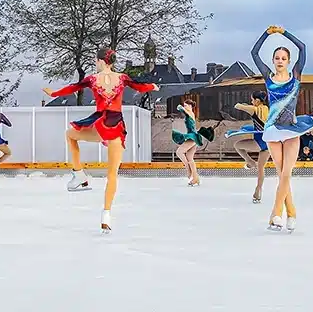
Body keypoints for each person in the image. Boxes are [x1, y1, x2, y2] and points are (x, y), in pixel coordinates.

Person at [47, 48, 157, 232]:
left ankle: (79, 174)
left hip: (99, 125)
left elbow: (73, 88)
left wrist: (53, 94)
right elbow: (140, 87)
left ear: (100, 61)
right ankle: (106, 214)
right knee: (112, 174)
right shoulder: (122, 78)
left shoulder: (92, 79)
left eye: (95, 60)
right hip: (116, 127)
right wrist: (152, 86)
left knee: (70, 134)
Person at [252, 25, 313, 232]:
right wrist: (266, 34)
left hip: (291, 129)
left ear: (288, 61)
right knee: (281, 174)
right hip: (273, 129)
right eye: (277, 58)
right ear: (273, 61)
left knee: (286, 173)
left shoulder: (296, 76)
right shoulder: (268, 77)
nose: (280, 61)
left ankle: (275, 214)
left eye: (283, 58)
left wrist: (283, 33)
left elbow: (302, 47)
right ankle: (291, 214)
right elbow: (254, 53)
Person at [226, 92, 270, 203]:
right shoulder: (267, 109)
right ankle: (258, 191)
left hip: (259, 141)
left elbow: (238, 106)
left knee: (237, 145)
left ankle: (250, 161)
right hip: (269, 143)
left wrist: (244, 105)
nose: (251, 102)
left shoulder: (254, 109)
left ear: (257, 100)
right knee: (261, 167)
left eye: (252, 100)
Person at [172, 101, 213, 186]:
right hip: (193, 136)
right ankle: (196, 178)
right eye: (184, 105)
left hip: (192, 136)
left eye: (186, 105)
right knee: (189, 158)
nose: (185, 107)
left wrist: (181, 107)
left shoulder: (190, 112)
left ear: (190, 106)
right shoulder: (191, 113)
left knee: (179, 152)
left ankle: (188, 170)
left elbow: (181, 108)